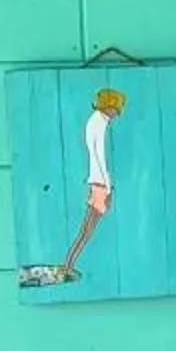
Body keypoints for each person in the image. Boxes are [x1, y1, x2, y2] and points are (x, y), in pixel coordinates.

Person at [55, 87, 125, 282]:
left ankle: (67, 264)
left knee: (86, 229)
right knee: (86, 230)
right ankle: (66, 265)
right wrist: (108, 186)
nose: (116, 113)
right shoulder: (99, 124)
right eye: (116, 109)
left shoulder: (94, 121)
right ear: (109, 106)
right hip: (100, 183)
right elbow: (99, 157)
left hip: (96, 181)